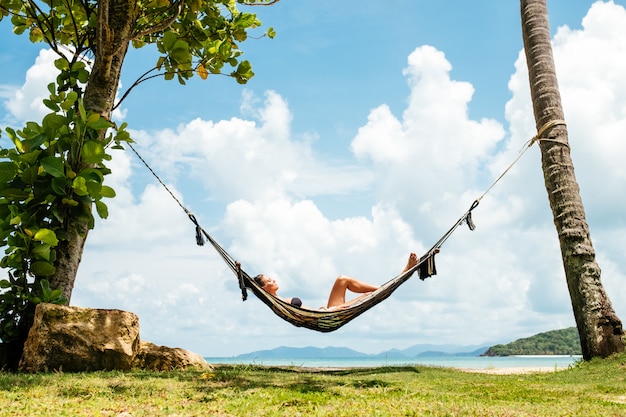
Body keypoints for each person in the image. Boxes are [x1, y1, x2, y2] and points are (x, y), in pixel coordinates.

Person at [253, 252, 419, 311]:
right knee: (369, 295)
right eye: (269, 280)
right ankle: (403, 274)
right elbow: (250, 286)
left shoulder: (280, 300)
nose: (273, 280)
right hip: (325, 317)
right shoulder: (275, 302)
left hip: (326, 313)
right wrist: (239, 271)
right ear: (264, 288)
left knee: (342, 280)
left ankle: (397, 279)